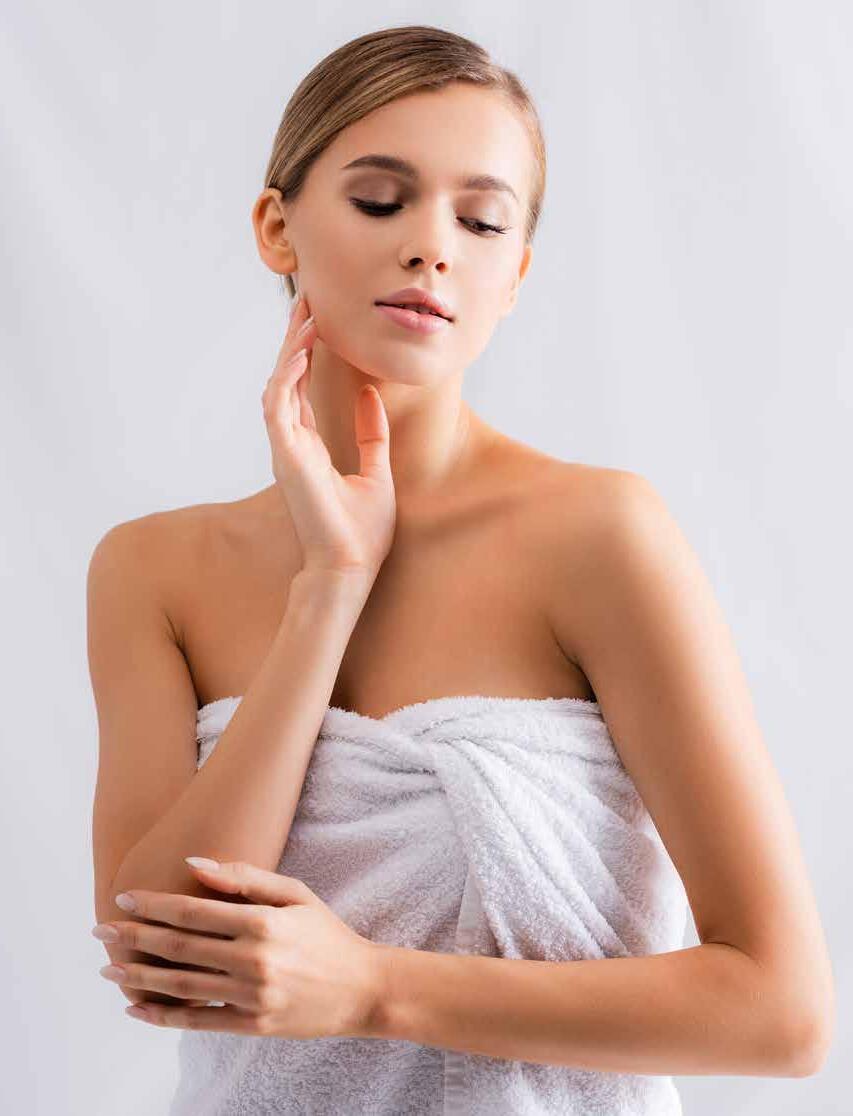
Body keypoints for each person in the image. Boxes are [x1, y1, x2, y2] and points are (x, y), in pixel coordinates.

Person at [87, 24, 834, 1116]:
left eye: (481, 221)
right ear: (276, 227)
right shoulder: (153, 569)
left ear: (514, 274)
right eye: (380, 201)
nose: (431, 248)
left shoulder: (598, 536)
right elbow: (165, 965)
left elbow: (781, 1011)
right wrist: (328, 588)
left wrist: (373, 989)